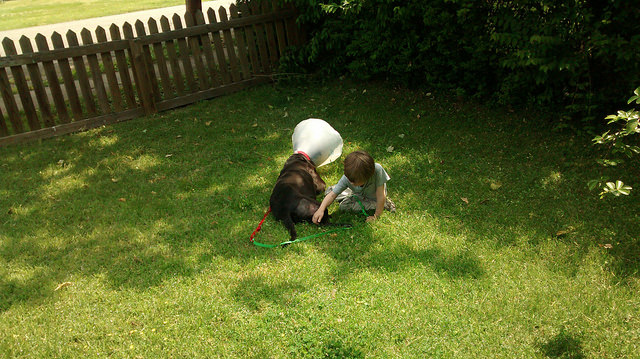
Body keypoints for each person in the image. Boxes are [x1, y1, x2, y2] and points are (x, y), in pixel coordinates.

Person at [312, 150, 395, 224]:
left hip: (374, 198)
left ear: (367, 177)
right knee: (341, 203)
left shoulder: (377, 170)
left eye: (354, 182)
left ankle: (384, 204)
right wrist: (321, 209)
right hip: (359, 195)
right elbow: (332, 194)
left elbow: (381, 195)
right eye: (349, 180)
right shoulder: (348, 178)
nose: (351, 182)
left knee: (379, 202)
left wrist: (376, 216)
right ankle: (350, 194)